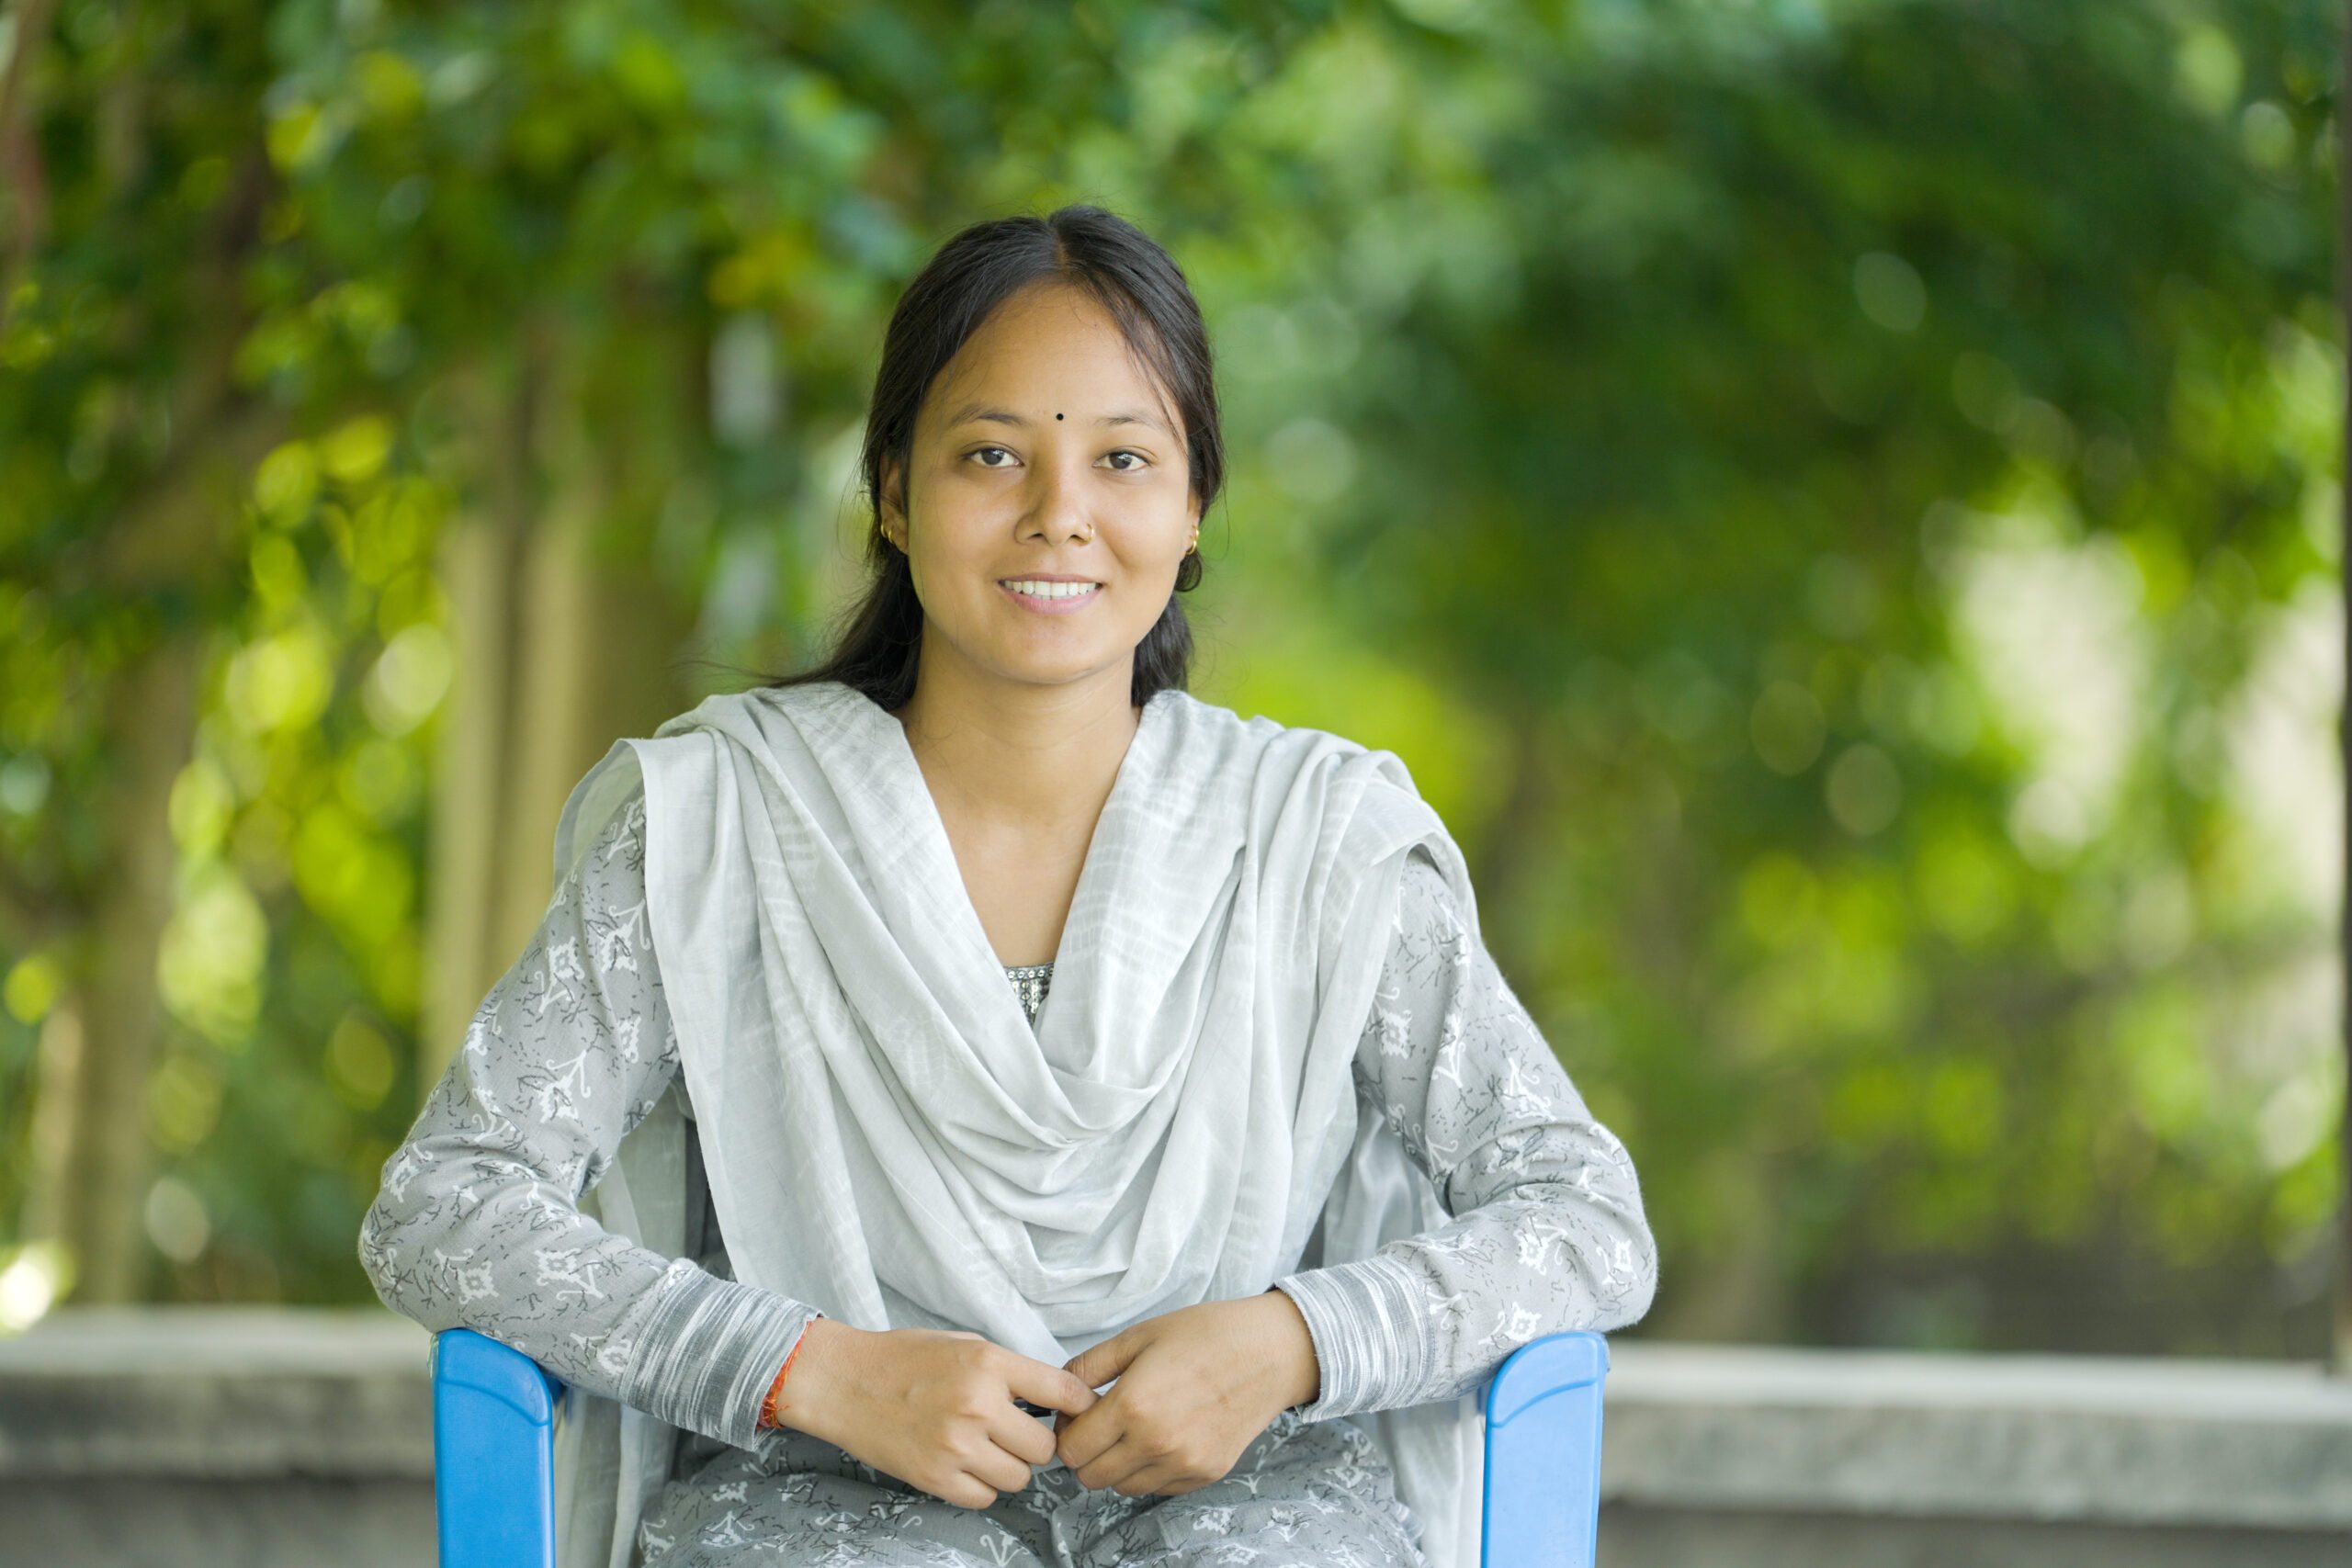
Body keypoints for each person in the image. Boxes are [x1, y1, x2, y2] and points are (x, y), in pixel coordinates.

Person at [359, 204, 1657, 1568]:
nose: (1061, 517)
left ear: (1192, 504)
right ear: (894, 490)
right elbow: (448, 1202)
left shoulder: (1313, 844)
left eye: (1123, 459)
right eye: (992, 454)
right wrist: (811, 1370)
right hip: (818, 1495)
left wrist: (1289, 1343)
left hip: (1256, 1504)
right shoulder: (723, 826)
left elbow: (1582, 1216)